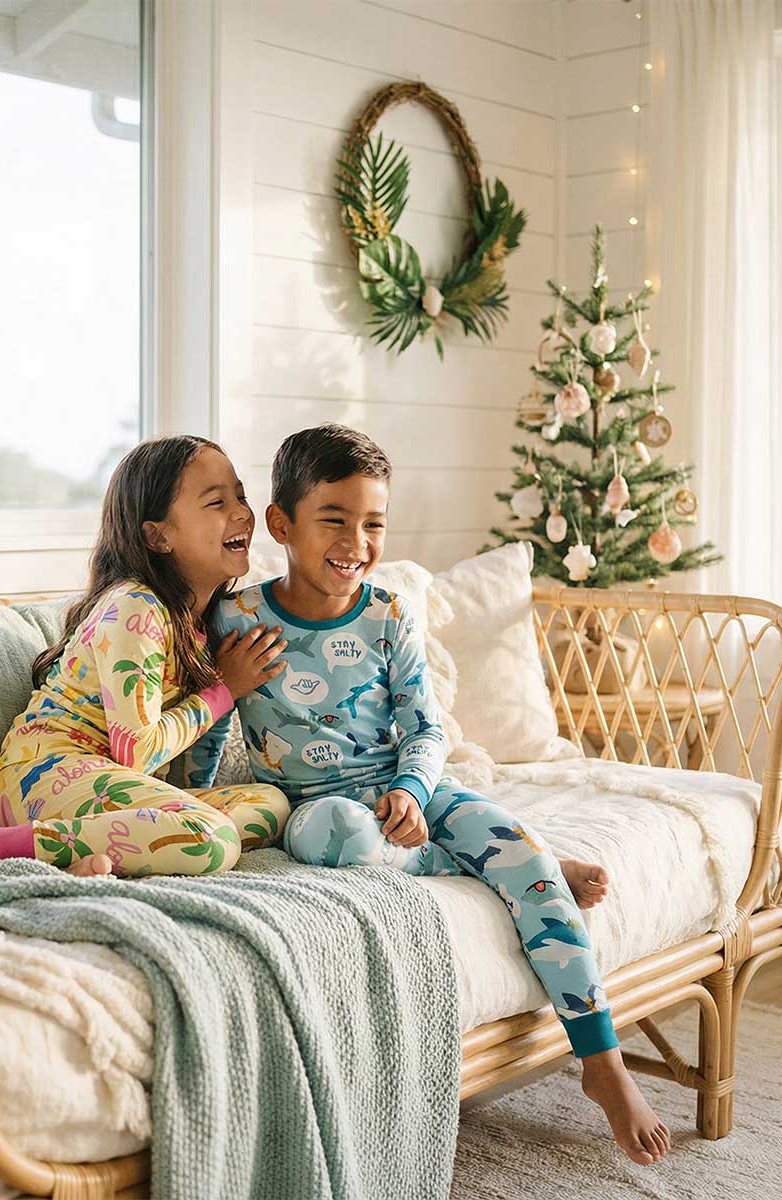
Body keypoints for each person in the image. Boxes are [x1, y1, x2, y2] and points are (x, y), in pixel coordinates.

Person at [203, 423, 670, 1165]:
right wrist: (207, 757)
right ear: (281, 525)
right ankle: (471, 861)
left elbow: (425, 729)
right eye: (335, 519)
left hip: (410, 788)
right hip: (315, 807)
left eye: (374, 523)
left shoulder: (388, 614)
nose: (356, 541)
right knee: (343, 833)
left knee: (526, 863)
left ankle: (601, 1060)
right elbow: (204, 734)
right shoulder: (235, 619)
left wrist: (414, 792)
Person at [0, 435, 290, 877]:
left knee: (271, 805)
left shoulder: (202, 622)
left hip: (113, 787)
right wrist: (224, 690)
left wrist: (182, 802)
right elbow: (137, 753)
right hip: (45, 776)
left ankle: (87, 856)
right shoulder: (135, 608)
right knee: (213, 838)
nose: (242, 513)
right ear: (158, 536)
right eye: (217, 502)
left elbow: (185, 765)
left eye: (240, 496)